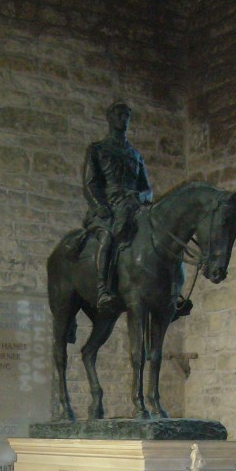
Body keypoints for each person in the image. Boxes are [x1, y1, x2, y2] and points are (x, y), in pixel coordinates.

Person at [82, 101, 153, 314]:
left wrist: (139, 196)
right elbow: (90, 183)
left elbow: (147, 189)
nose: (124, 119)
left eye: (127, 116)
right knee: (107, 237)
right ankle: (103, 289)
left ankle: (167, 292)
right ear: (110, 118)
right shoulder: (98, 149)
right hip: (109, 208)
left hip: (133, 207)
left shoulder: (135, 155)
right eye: (120, 115)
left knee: (156, 238)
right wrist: (99, 206)